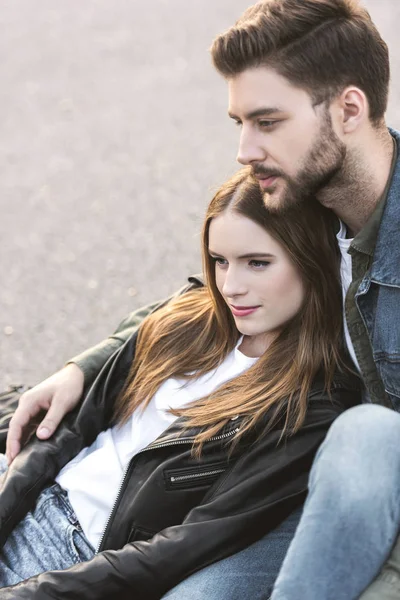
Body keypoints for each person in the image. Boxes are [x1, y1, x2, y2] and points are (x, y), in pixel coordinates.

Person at [5, 0, 400, 598]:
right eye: (239, 122)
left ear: (349, 109)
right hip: (287, 479)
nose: (244, 149)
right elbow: (211, 292)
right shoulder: (308, 186)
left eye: (266, 122)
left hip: (343, 477)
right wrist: (85, 365)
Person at [0, 170, 359, 598]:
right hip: (25, 487)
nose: (231, 286)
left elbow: (183, 547)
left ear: (311, 259)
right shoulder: (188, 316)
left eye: (257, 263)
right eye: (220, 261)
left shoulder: (309, 406)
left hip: (78, 560)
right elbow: (70, 431)